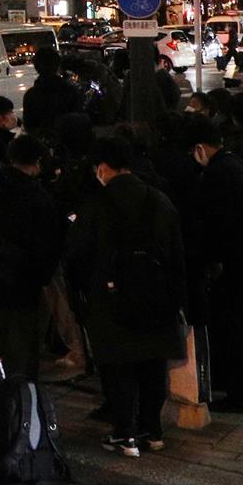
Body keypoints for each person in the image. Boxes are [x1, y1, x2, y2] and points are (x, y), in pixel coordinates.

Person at [66, 133, 186, 457]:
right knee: (152, 364)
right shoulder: (159, 201)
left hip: (111, 298)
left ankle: (125, 432)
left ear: (104, 167)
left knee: (118, 367)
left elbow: (77, 254)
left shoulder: (96, 205)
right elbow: (177, 253)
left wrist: (81, 298)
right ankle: (152, 430)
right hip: (157, 296)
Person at [184, 117, 243, 412]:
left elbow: (216, 224)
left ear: (199, 148)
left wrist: (209, 260)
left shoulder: (217, 174)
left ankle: (240, 394)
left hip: (237, 263)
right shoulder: (238, 164)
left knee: (234, 327)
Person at [0, 134, 63, 380]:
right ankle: (15, 410)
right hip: (19, 289)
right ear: (37, 162)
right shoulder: (37, 197)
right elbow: (47, 248)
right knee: (18, 356)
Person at [21, 51, 85, 136]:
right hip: (67, 142)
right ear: (58, 66)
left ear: (36, 67)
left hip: (41, 143)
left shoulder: (30, 95)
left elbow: (29, 127)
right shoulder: (71, 91)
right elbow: (79, 121)